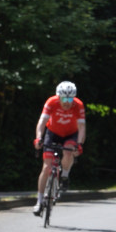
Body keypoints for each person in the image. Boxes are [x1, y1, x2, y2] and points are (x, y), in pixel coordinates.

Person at [33, 81, 86, 216]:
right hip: (52, 133)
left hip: (70, 134)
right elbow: (42, 122)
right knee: (46, 167)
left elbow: (81, 128)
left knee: (68, 152)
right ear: (58, 97)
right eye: (64, 99)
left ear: (73, 98)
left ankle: (64, 176)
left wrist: (79, 144)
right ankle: (39, 201)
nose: (67, 102)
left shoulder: (78, 105)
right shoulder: (51, 102)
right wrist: (38, 138)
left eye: (70, 99)